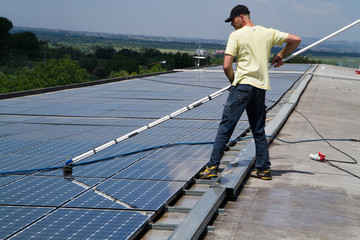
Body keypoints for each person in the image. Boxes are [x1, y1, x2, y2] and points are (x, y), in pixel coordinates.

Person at [200, 4, 301, 180]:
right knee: (258, 130)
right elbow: (296, 39)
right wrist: (282, 54)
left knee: (226, 127)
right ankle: (264, 169)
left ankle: (212, 167)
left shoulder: (236, 35)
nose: (231, 24)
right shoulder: (267, 33)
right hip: (260, 88)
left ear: (241, 17)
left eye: (232, 20)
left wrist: (234, 82)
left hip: (242, 86)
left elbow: (226, 65)